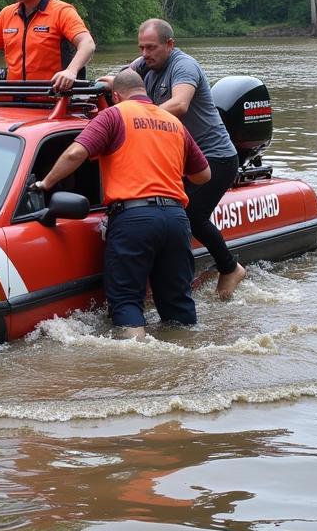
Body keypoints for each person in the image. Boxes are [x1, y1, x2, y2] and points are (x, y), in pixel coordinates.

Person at [34, 69, 210, 340]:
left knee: (127, 301)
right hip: (176, 218)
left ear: (115, 96)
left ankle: (137, 372)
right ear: (145, 92)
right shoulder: (172, 121)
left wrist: (45, 184)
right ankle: (186, 356)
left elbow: (76, 152)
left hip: (133, 219)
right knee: (178, 302)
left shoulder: (114, 114)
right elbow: (203, 175)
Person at [108, 19, 246, 300]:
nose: (145, 53)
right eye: (142, 47)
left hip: (214, 156)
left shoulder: (183, 66)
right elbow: (121, 80)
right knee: (167, 214)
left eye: (151, 47)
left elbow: (180, 104)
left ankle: (230, 268)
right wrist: (105, 84)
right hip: (180, 157)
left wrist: (139, 117)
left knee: (191, 216)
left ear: (169, 45)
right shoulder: (146, 63)